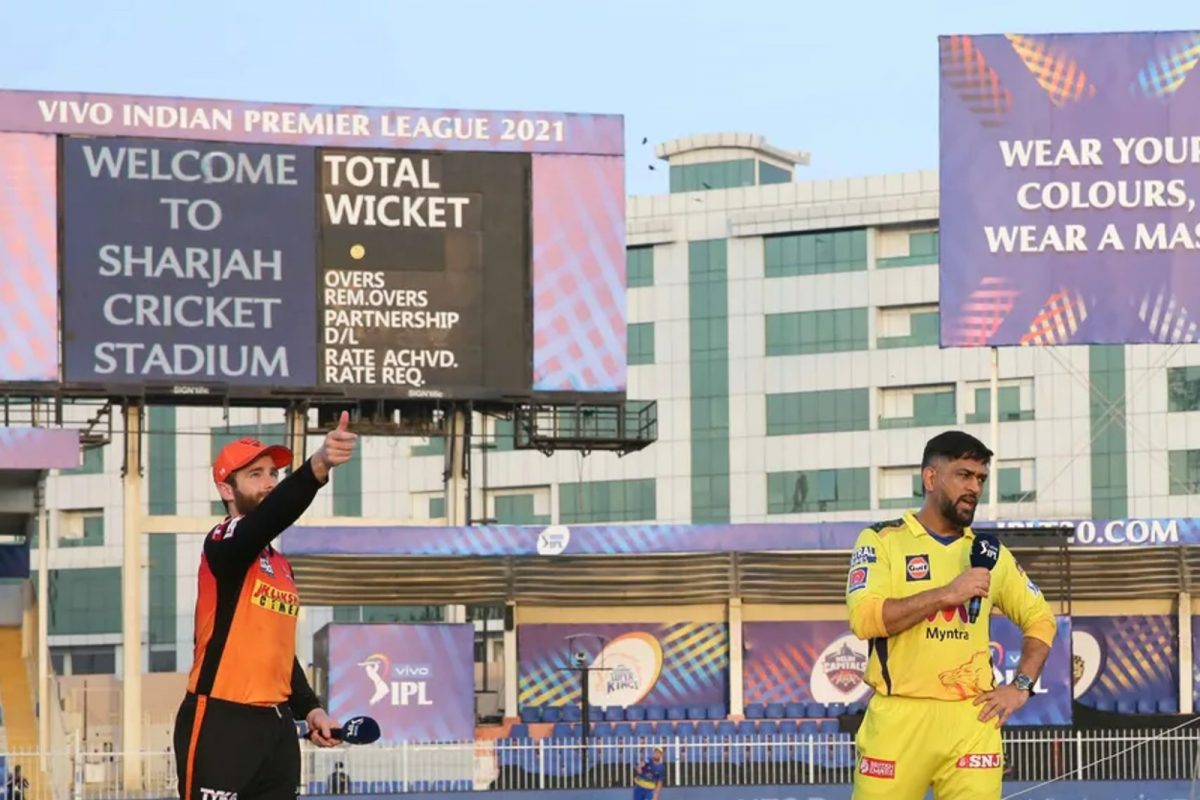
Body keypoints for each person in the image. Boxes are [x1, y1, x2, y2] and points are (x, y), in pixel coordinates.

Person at [845, 430, 1056, 800]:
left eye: (980, 479)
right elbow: (865, 618)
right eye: (963, 475)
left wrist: (1021, 686)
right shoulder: (881, 540)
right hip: (899, 719)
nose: (974, 487)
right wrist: (947, 594)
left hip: (972, 718)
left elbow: (1041, 619)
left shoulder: (990, 553)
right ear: (930, 478)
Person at [173, 413, 358, 800]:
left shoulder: (280, 565)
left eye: (274, 473)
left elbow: (277, 650)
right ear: (226, 489)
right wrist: (318, 466)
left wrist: (310, 709)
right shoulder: (223, 541)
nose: (270, 482)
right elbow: (268, 519)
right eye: (255, 475)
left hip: (276, 729)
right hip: (222, 720)